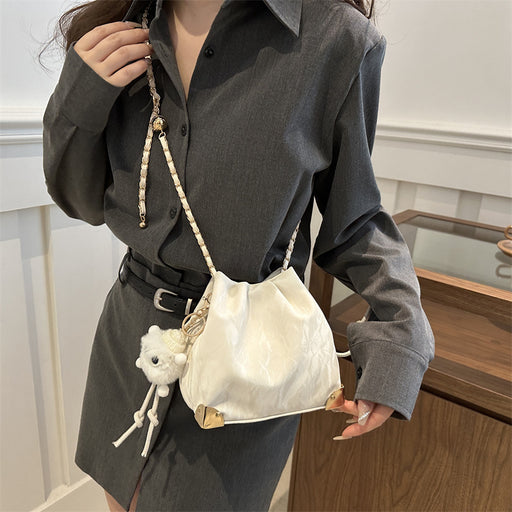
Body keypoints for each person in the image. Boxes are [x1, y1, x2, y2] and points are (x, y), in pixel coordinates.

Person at [41, 0, 435, 510]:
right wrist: (80, 96)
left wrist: (401, 336)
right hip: (132, 339)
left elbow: (355, 219)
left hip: (247, 361)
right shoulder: (125, 27)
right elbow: (82, 202)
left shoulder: (337, 40)